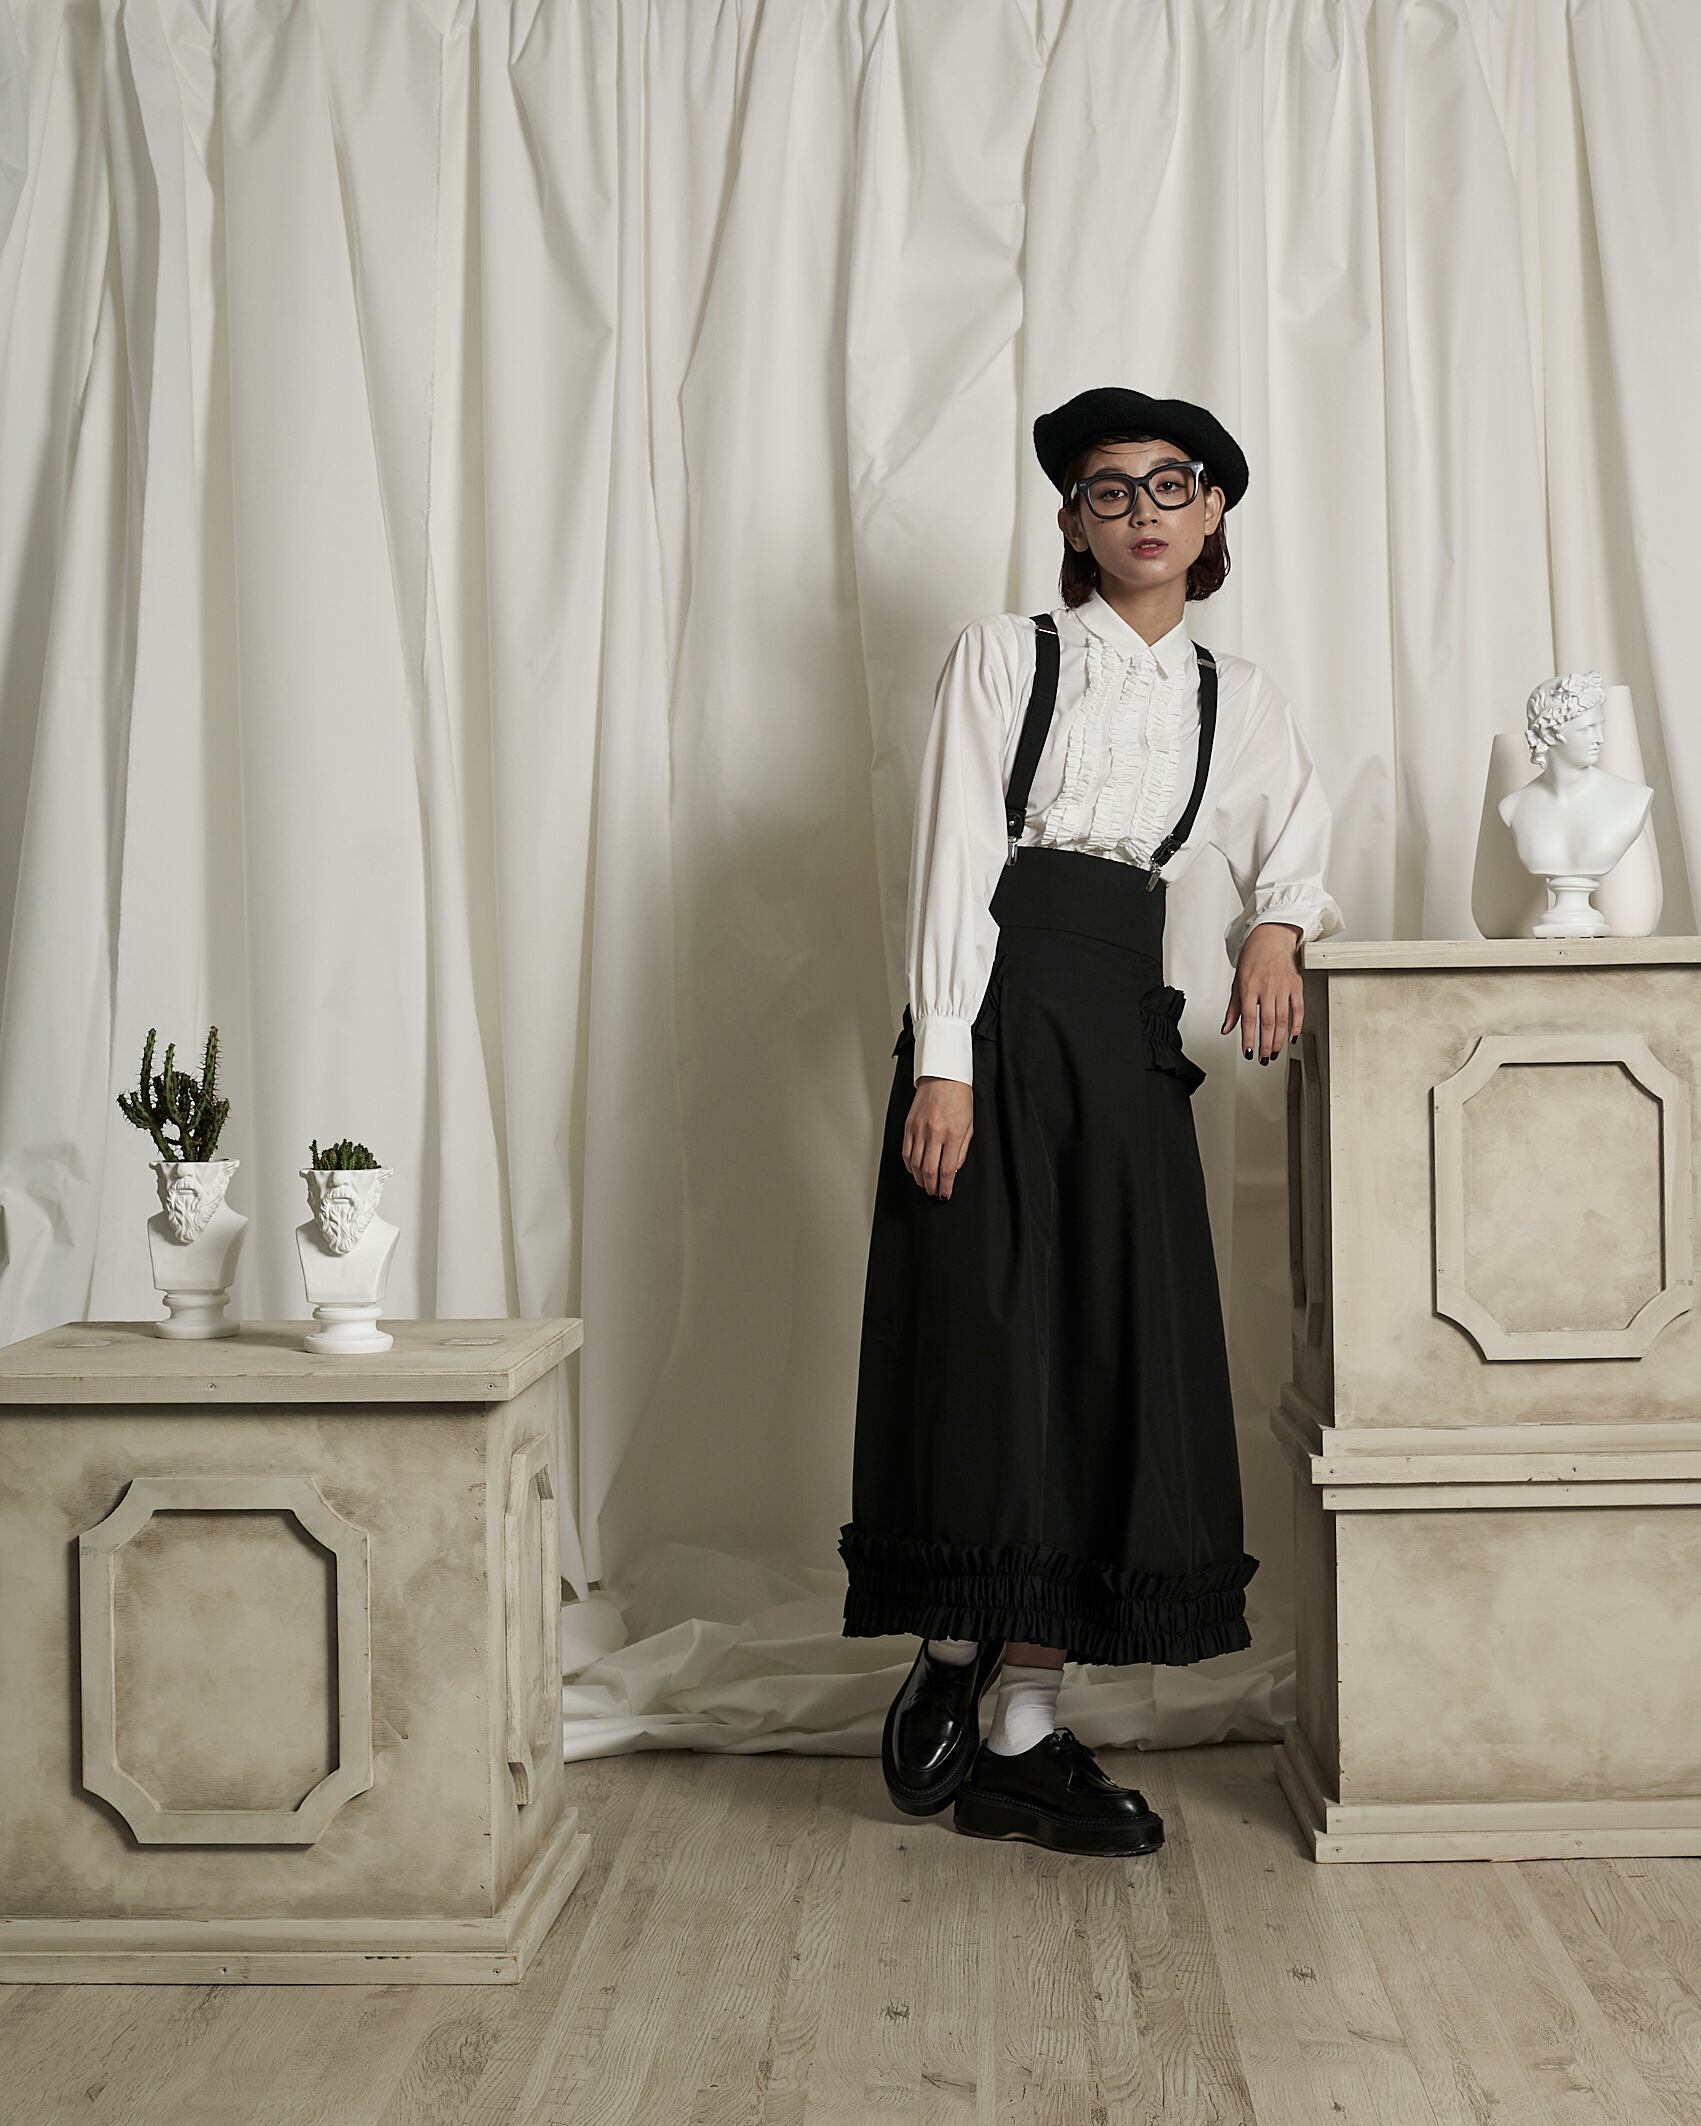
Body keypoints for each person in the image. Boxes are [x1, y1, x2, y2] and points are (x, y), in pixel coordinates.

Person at [838, 386, 1345, 1857]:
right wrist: (943, 1057)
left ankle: (1024, 1727)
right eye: (1108, 489)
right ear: (1073, 520)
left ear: (1210, 512)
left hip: (1121, 1033)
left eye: (1169, 484)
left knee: (1108, 1355)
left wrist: (1275, 927)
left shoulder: (1235, 697)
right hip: (996, 1016)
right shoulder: (1006, 656)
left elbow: (1292, 843)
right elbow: (955, 850)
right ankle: (953, 1639)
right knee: (983, 1333)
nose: (1141, 510)